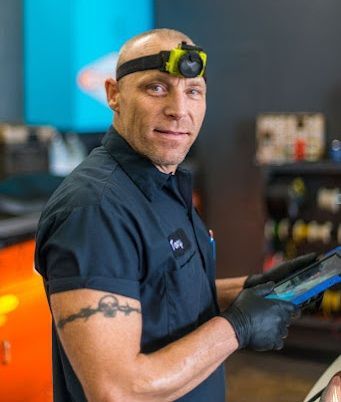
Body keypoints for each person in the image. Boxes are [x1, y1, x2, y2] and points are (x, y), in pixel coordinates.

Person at [35, 28, 316, 402]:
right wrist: (237, 327)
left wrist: (252, 289)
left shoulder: (165, 186)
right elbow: (117, 390)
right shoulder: (95, 209)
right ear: (114, 95)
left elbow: (158, 296)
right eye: (156, 88)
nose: (179, 109)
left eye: (193, 91)